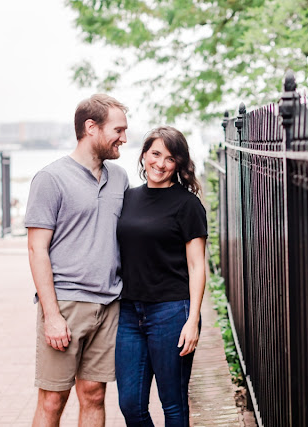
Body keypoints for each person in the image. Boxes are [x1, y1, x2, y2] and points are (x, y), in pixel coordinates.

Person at [25, 94, 129, 426]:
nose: (124, 139)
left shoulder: (120, 178)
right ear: (90, 127)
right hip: (66, 304)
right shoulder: (50, 178)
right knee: (53, 400)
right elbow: (36, 249)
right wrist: (51, 315)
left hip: (109, 304)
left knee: (94, 395)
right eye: (118, 130)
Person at [115, 126, 207, 426]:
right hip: (129, 312)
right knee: (130, 405)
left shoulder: (188, 205)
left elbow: (196, 266)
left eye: (170, 158)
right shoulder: (127, 198)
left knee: (174, 406)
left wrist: (192, 320)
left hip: (172, 312)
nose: (161, 163)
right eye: (155, 154)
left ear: (179, 164)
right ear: (143, 156)